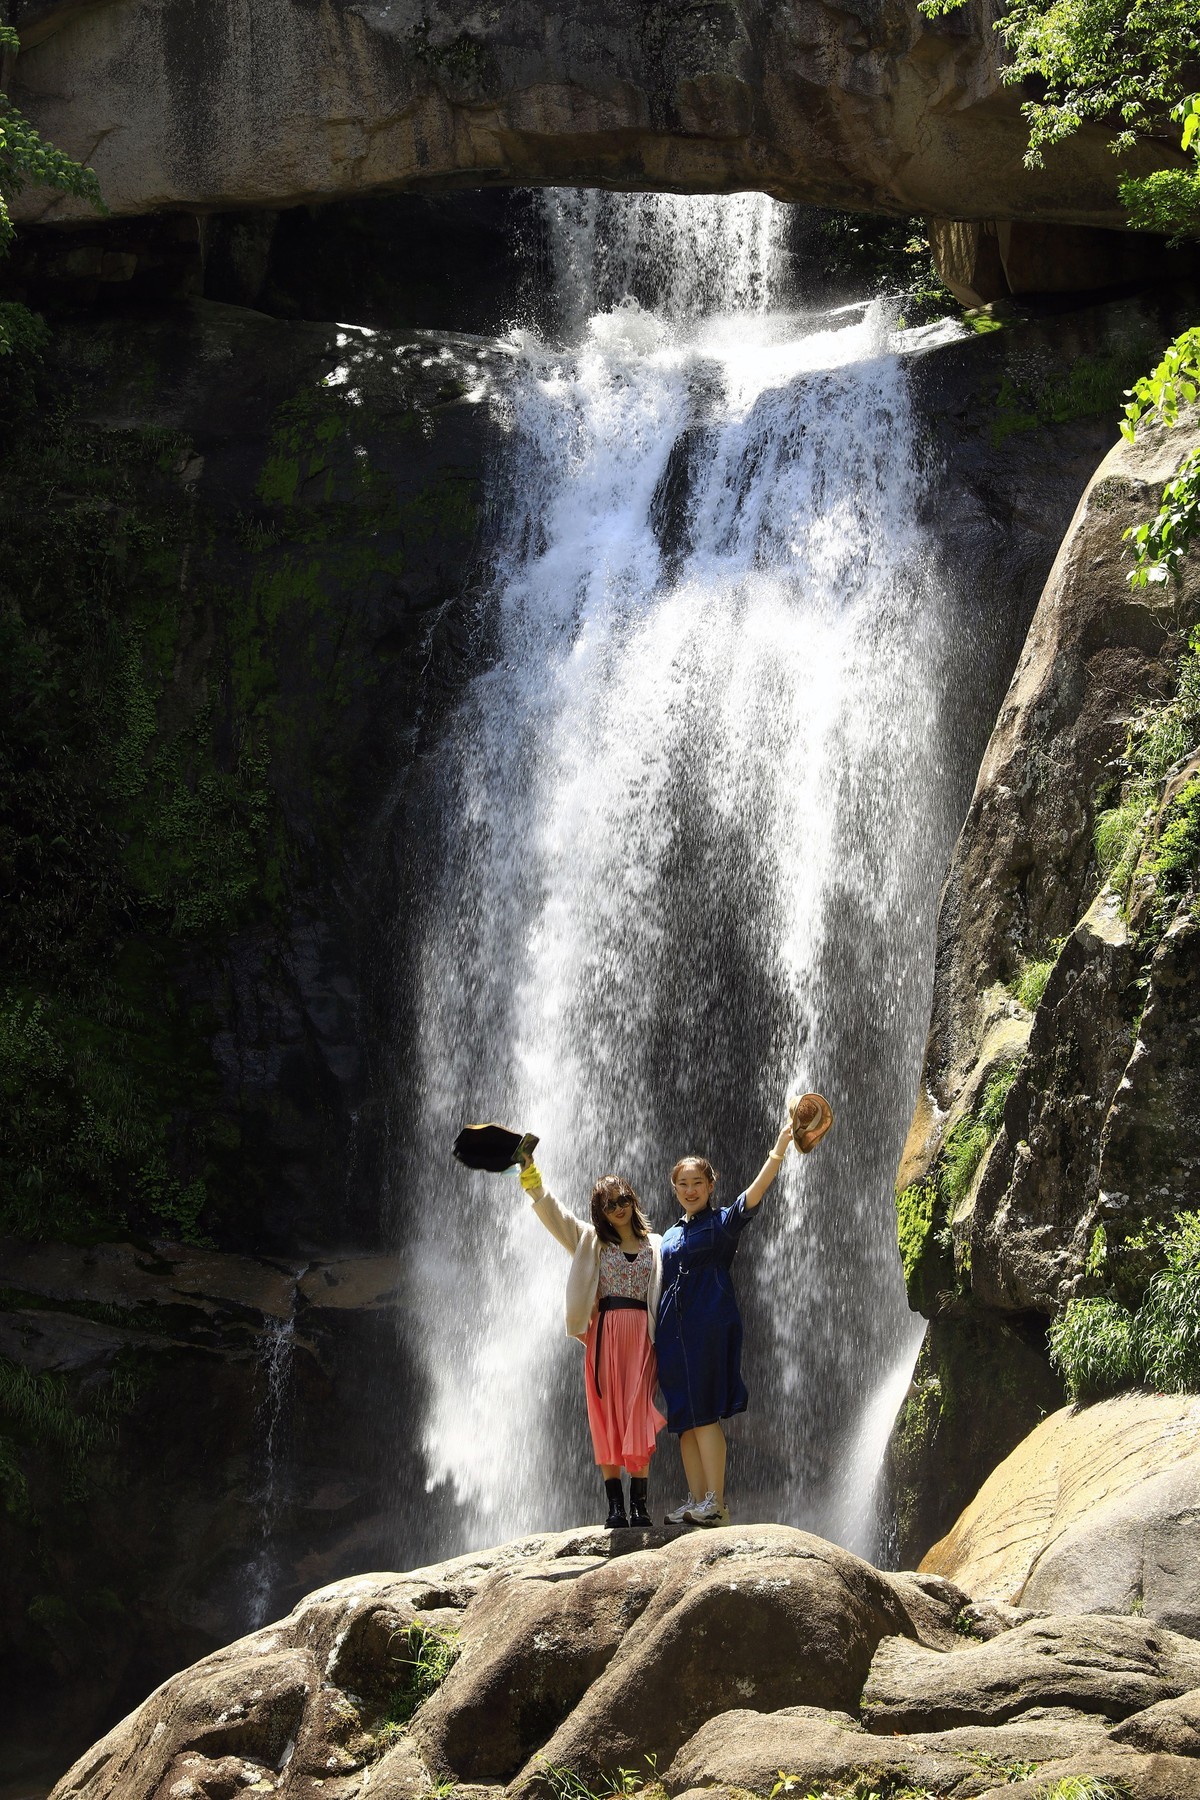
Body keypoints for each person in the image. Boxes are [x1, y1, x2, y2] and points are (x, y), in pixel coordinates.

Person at [656, 1092, 833, 1528]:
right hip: (671, 1332)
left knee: (706, 1411)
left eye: (698, 1182)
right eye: (683, 1184)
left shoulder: (722, 1223)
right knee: (684, 1418)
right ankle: (697, 1500)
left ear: (710, 1185)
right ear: (674, 1189)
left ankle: (715, 1501)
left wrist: (780, 1146)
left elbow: (755, 1193)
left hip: (708, 1323)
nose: (691, 1190)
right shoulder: (669, 1234)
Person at [515, 1154, 666, 1528]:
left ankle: (640, 1505)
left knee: (638, 1414)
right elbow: (554, 1214)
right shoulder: (591, 1241)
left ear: (633, 1200)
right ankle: (615, 1506)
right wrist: (529, 1172)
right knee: (606, 1418)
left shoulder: (658, 1245)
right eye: (609, 1203)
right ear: (600, 1211)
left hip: (644, 1341)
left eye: (623, 1199)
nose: (618, 1208)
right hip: (605, 1338)